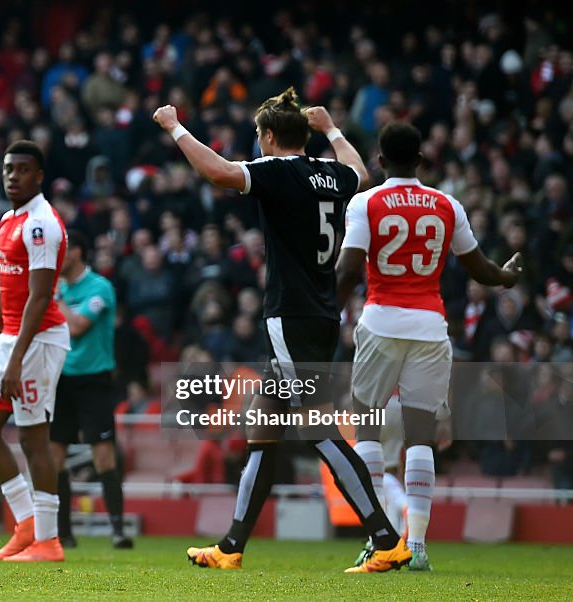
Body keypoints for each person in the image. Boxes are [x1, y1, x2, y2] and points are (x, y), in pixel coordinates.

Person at [154, 87, 408, 572]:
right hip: (321, 313)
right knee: (263, 426)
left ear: (269, 136)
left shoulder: (276, 169)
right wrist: (332, 128)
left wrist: (174, 127)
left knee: (319, 429)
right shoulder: (334, 174)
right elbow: (361, 173)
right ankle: (231, 546)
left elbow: (217, 171)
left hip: (289, 316)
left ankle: (385, 537)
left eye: (258, 135)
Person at [337, 122, 521, 571]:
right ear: (420, 160)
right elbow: (479, 268)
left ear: (380, 161)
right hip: (430, 326)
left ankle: (379, 541)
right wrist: (506, 276)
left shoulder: (366, 202)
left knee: (368, 431)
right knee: (421, 437)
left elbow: (346, 271)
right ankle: (416, 546)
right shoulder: (446, 204)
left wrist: (325, 312)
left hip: (381, 321)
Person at [0, 140, 70, 563]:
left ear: (39, 176)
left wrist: (13, 357)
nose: (13, 176)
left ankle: (48, 540)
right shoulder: (10, 219)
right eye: (9, 169)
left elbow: (40, 297)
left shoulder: (42, 223)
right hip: (11, 337)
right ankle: (26, 525)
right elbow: (6, 290)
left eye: (23, 169)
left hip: (40, 339)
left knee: (32, 436)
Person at [49, 230, 132, 549]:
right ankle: (64, 533)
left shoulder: (99, 288)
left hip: (94, 381)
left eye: (63, 251)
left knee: (103, 457)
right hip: (61, 379)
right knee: (55, 456)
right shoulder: (60, 287)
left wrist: (55, 297)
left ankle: (117, 530)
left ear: (78, 253)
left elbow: (78, 327)